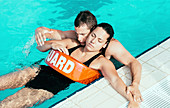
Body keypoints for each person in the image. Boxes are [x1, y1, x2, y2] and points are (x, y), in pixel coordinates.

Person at [0, 23, 139, 108]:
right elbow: (41, 46)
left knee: (5, 105)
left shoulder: (101, 62)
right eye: (93, 35)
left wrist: (131, 100)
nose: (93, 41)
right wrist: (51, 44)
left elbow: (115, 80)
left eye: (99, 40)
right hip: (35, 71)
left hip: (46, 89)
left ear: (104, 45)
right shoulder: (73, 43)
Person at [35, 10, 143, 103]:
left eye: (83, 35)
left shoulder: (111, 46)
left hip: (108, 65)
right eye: (78, 34)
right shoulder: (79, 36)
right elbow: (49, 33)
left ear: (92, 29)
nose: (80, 39)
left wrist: (135, 85)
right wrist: (39, 31)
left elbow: (133, 62)